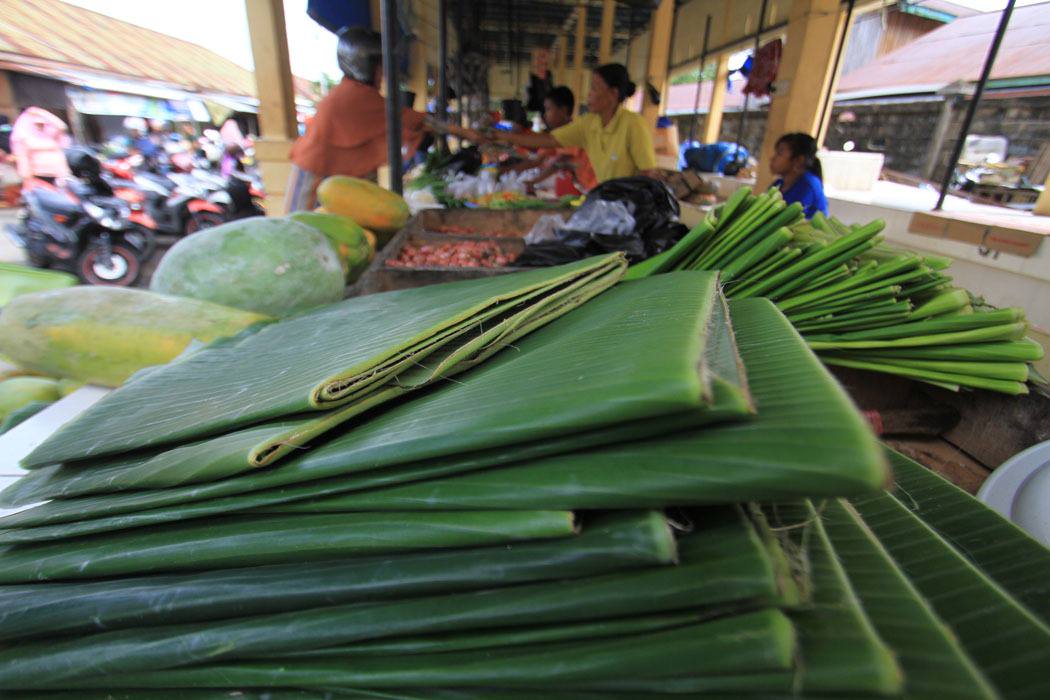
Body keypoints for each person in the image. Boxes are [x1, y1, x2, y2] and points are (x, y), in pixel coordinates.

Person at [286, 26, 428, 212]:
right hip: (316, 174)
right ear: (364, 65)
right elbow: (407, 119)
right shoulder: (353, 95)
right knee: (304, 230)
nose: (382, 75)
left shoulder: (358, 93)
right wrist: (465, 133)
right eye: (379, 67)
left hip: (336, 176)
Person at [451, 64, 657, 184]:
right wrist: (499, 136)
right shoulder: (589, 123)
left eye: (594, 89)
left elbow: (648, 174)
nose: (589, 95)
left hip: (627, 206)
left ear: (613, 94)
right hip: (600, 197)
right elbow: (548, 140)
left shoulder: (633, 125)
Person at [769, 132, 828, 219]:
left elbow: (790, 221)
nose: (772, 158)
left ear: (798, 160)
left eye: (779, 153)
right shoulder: (777, 184)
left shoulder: (809, 185)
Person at [9, 107, 71, 184]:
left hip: (59, 173)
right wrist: (27, 178)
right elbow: (23, 158)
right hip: (40, 175)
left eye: (42, 123)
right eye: (37, 124)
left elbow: (62, 126)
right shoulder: (25, 139)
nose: (40, 126)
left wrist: (42, 113)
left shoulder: (51, 135)